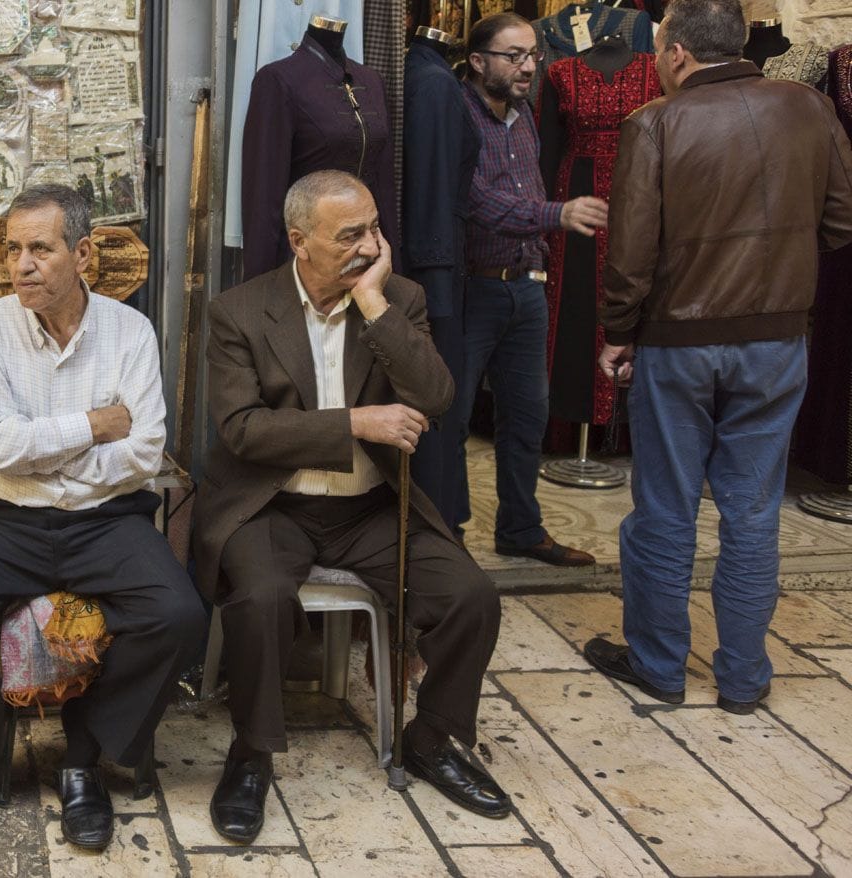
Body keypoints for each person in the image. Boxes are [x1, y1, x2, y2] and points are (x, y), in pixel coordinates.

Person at [193, 170, 511, 844]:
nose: (370, 244)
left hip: (370, 508)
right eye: (350, 236)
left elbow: (435, 398)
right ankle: (251, 753)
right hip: (272, 505)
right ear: (298, 241)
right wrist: (354, 424)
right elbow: (241, 430)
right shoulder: (239, 312)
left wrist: (374, 305)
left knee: (472, 597)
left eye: (373, 228)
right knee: (260, 598)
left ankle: (427, 741)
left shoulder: (398, 299)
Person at [0, 184, 207, 846]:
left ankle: (82, 758)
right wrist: (94, 425)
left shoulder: (130, 331)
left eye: (40, 249)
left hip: (107, 519)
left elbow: (145, 450)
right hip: (2, 518)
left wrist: (49, 458)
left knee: (180, 619)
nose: (21, 265)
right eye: (13, 249)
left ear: (83, 253)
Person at [588, 0, 852, 713]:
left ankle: (659, 667)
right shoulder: (808, 106)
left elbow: (631, 252)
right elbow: (840, 222)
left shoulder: (656, 121)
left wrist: (617, 331)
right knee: (753, 511)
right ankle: (742, 680)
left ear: (675, 53)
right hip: (777, 341)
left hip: (680, 344)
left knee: (666, 510)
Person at [454, 12, 607, 565]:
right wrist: (556, 214)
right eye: (513, 56)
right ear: (477, 62)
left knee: (527, 417)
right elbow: (475, 202)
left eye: (533, 56)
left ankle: (521, 530)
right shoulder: (458, 115)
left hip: (526, 288)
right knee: (452, 418)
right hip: (475, 290)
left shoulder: (523, 116)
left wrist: (540, 251)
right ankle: (447, 538)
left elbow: (527, 183)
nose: (527, 67)